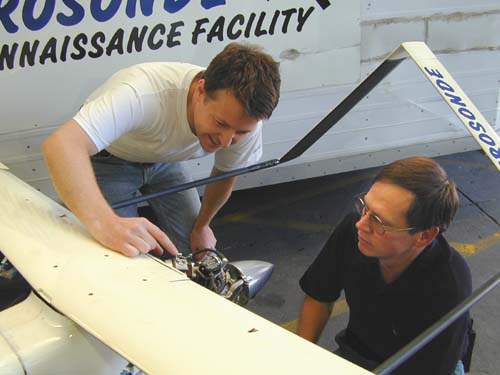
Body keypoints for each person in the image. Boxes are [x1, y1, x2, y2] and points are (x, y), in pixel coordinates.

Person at [42, 43, 281, 258]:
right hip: (109, 161)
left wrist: (202, 226)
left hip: (166, 160)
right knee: (123, 254)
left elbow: (226, 173)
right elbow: (61, 145)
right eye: (220, 124)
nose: (227, 141)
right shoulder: (142, 92)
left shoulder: (246, 118)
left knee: (198, 251)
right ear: (200, 91)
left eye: (241, 132)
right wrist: (104, 223)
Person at [297, 157, 472, 375]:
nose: (362, 224)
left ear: (424, 236)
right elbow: (318, 297)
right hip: (359, 349)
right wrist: (301, 359)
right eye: (365, 208)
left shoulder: (450, 286)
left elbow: (434, 369)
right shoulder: (355, 232)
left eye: (379, 222)